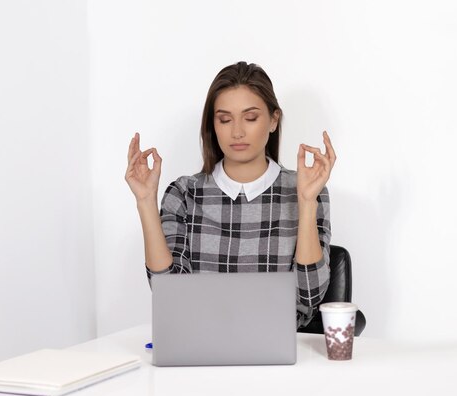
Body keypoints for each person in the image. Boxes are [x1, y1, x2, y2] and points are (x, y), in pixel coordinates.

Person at [124, 61, 336, 328]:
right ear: (213, 125)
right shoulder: (184, 193)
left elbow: (308, 297)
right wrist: (145, 201)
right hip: (201, 345)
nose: (237, 131)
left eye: (250, 118)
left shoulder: (306, 188)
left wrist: (306, 203)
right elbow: (169, 293)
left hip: (279, 350)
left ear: (273, 120)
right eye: (225, 119)